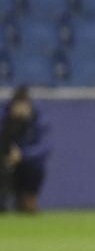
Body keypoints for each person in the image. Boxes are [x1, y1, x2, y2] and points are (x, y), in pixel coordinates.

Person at [1, 86, 51, 214]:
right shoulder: (4, 117)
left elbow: (44, 148)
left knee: (36, 168)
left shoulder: (37, 120)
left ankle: (28, 200)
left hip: (25, 163)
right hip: (4, 160)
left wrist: (22, 155)